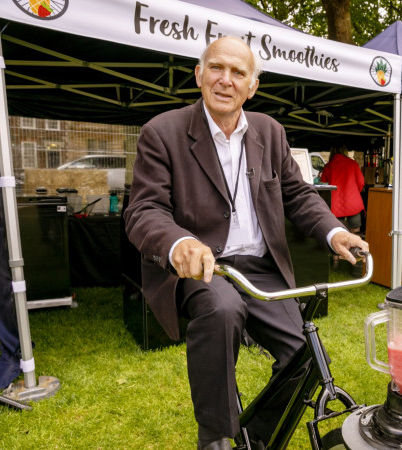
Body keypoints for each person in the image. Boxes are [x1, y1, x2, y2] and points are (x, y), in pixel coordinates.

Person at [123, 36, 368, 450]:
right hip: (205, 267)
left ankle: (255, 435)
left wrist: (335, 232)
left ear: (252, 87)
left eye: (239, 73)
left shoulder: (270, 132)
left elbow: (299, 194)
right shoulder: (162, 131)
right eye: (217, 68)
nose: (226, 80)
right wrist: (179, 242)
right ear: (200, 75)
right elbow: (143, 210)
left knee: (304, 357)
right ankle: (216, 437)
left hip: (260, 268)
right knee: (222, 310)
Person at [320, 143, 365, 268]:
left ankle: (335, 262)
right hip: (353, 204)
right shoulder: (352, 163)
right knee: (355, 233)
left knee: (336, 235)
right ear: (344, 151)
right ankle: (355, 263)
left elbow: (324, 185)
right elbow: (361, 182)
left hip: (335, 206)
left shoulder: (328, 166)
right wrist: (354, 191)